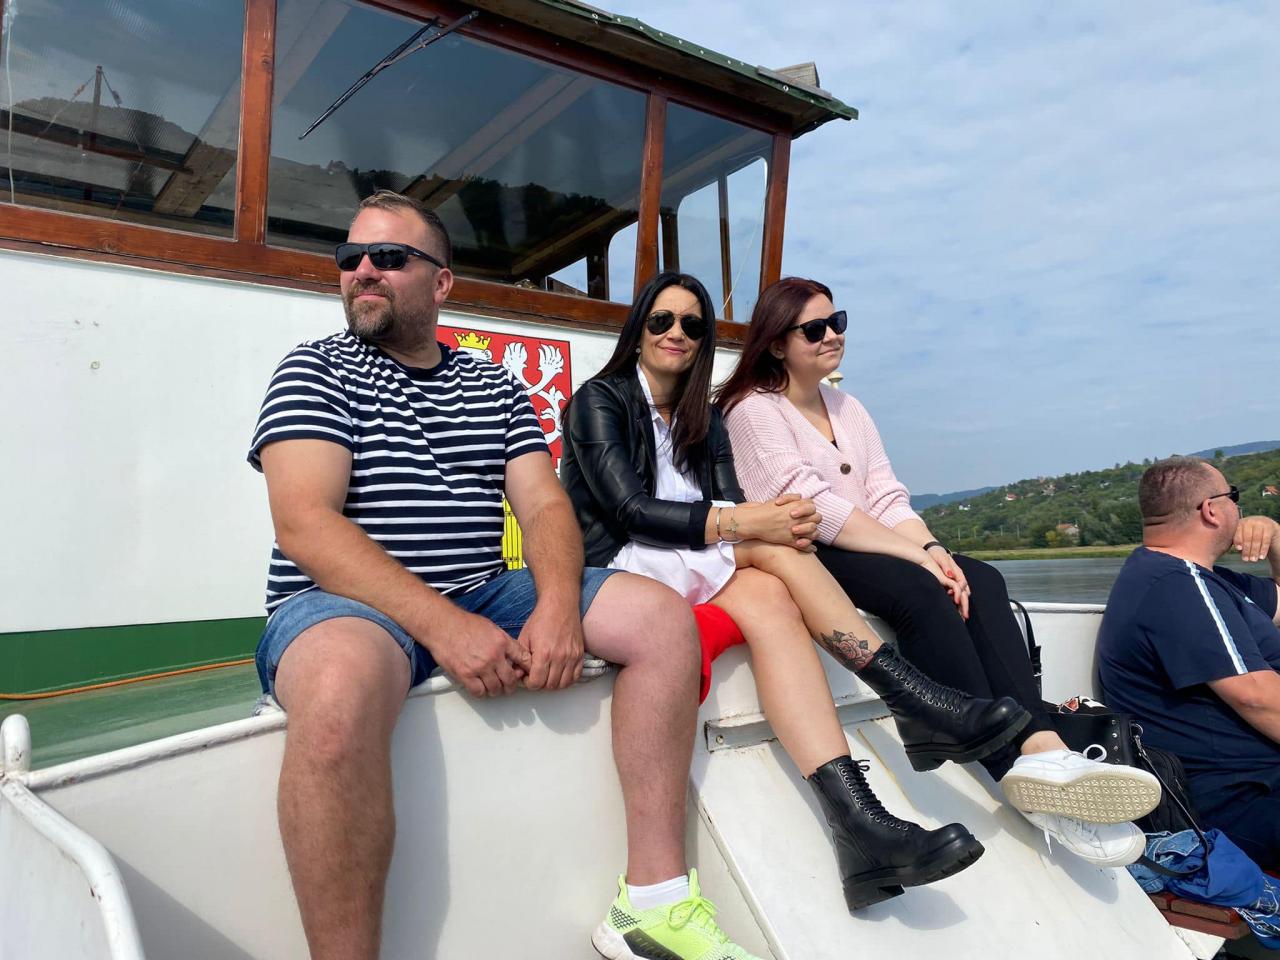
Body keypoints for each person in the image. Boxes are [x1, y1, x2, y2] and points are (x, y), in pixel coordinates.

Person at [248, 191, 763, 960]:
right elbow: (305, 524)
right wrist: (444, 626)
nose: (363, 271)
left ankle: (652, 904)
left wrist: (556, 605)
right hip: (342, 602)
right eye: (351, 258)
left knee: (660, 619)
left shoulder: (491, 384)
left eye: (388, 257)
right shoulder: (314, 370)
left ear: (440, 282)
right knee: (335, 689)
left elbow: (546, 506)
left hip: (486, 587)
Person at [560, 271, 1043, 913]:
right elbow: (629, 510)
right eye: (662, 321)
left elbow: (731, 497)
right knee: (773, 547)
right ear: (638, 329)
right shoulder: (601, 399)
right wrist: (749, 524)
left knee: (774, 599)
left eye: (693, 325)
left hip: (688, 555)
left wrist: (767, 518)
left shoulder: (703, 416)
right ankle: (913, 698)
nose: (677, 334)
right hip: (623, 560)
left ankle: (861, 828)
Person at [718, 276, 1161, 868]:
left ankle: (1041, 741)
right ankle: (1010, 766)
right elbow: (811, 506)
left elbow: (886, 495)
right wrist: (916, 558)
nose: (833, 336)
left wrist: (933, 547)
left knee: (982, 579)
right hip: (807, 550)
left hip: (868, 543)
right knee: (920, 589)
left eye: (838, 322)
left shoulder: (847, 407)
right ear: (776, 343)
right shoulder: (754, 410)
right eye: (815, 329)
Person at [1099, 457, 1280, 870]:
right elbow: (1257, 698)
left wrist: (1275, 538)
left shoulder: (1205, 580)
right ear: (1211, 510)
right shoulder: (1175, 584)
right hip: (1240, 802)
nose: (1240, 509)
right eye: (1234, 497)